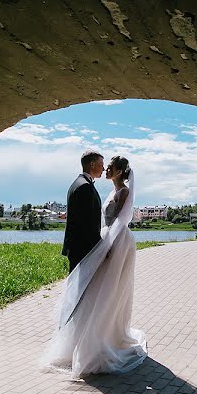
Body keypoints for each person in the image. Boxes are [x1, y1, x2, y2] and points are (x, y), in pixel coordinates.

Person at [41, 155, 147, 378]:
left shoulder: (122, 192)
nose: (105, 169)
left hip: (117, 242)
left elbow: (120, 220)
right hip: (103, 242)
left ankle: (103, 336)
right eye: (103, 165)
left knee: (109, 290)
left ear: (119, 172)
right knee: (96, 291)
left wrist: (106, 245)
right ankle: (87, 336)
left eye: (109, 167)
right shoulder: (89, 188)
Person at [62, 150, 104, 273]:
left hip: (78, 247)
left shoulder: (78, 183)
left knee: (77, 288)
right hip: (83, 248)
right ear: (92, 165)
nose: (104, 168)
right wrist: (100, 248)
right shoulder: (84, 186)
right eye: (101, 165)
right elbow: (88, 223)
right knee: (80, 288)